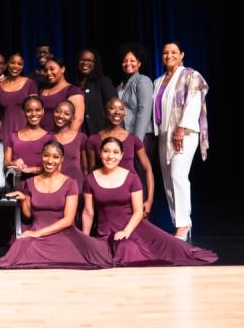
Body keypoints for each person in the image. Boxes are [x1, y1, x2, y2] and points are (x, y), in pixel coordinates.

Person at [82, 137, 217, 266]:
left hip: (133, 229)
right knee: (100, 253)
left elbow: (138, 211)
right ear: (100, 153)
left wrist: (126, 232)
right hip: (105, 233)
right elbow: (88, 212)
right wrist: (85, 238)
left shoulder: (132, 178)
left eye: (115, 152)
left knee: (175, 251)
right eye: (106, 151)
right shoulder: (90, 179)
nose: (110, 156)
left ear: (122, 155)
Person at [0, 140, 113, 269]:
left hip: (63, 234)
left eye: (55, 157)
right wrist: (23, 200)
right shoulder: (30, 182)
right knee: (20, 246)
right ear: (41, 156)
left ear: (61, 159)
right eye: (46, 155)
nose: (50, 161)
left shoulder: (71, 183)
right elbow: (28, 216)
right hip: (37, 232)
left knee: (94, 253)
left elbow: (68, 220)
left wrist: (39, 233)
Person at [152, 42, 210, 241]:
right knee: (168, 180)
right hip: (164, 134)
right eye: (165, 52)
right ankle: (179, 221)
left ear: (182, 55)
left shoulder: (191, 75)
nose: (169, 55)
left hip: (184, 133)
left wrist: (181, 128)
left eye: (174, 52)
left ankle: (183, 225)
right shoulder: (159, 81)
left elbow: (194, 102)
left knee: (178, 175)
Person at [85, 98, 155, 216]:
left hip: (132, 196)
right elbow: (91, 173)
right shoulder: (93, 140)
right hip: (106, 198)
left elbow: (148, 169)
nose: (117, 112)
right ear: (105, 112)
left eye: (121, 108)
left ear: (125, 113)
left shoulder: (133, 140)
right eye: (112, 108)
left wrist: (149, 200)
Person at [0, 52, 38, 146]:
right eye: (12, 63)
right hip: (5, 135)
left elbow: (35, 113)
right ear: (6, 64)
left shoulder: (30, 84)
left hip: (25, 134)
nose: (15, 66)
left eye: (20, 64)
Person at [4, 95, 50, 177]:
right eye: (29, 111)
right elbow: (6, 164)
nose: (33, 114)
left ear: (43, 111)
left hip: (41, 185)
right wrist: (13, 163)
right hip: (17, 184)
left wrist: (30, 169)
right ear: (23, 112)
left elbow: (54, 166)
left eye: (37, 110)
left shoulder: (49, 138)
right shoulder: (13, 136)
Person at [46, 100, 88, 190]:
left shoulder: (81, 137)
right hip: (53, 187)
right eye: (58, 111)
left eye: (66, 113)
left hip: (77, 187)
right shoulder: (46, 137)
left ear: (72, 117)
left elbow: (86, 169)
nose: (61, 116)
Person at [73, 48, 117, 135]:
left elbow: (113, 107)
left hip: (100, 132)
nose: (85, 63)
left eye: (89, 60)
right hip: (77, 132)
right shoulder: (72, 83)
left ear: (95, 63)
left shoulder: (103, 81)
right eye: (82, 60)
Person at [117, 43, 153, 140]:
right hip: (126, 135)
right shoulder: (120, 86)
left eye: (132, 60)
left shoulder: (142, 80)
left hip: (142, 135)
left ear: (139, 63)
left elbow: (144, 110)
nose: (128, 63)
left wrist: (137, 140)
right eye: (125, 61)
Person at [38, 58, 84, 131]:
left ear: (62, 69)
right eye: (46, 70)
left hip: (60, 139)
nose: (48, 73)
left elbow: (77, 119)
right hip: (42, 138)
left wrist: (66, 139)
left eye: (52, 69)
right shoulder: (41, 91)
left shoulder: (72, 90)